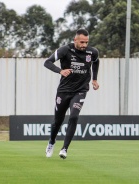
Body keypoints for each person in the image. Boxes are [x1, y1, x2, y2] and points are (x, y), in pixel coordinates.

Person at [44, 28, 100, 159]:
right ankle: (51, 142)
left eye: (86, 42)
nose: (84, 45)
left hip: (80, 90)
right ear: (75, 40)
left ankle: (64, 149)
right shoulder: (65, 50)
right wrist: (60, 71)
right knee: (58, 121)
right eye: (81, 42)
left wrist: (95, 79)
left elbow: (96, 62)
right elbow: (47, 62)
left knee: (74, 117)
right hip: (63, 91)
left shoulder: (92, 52)